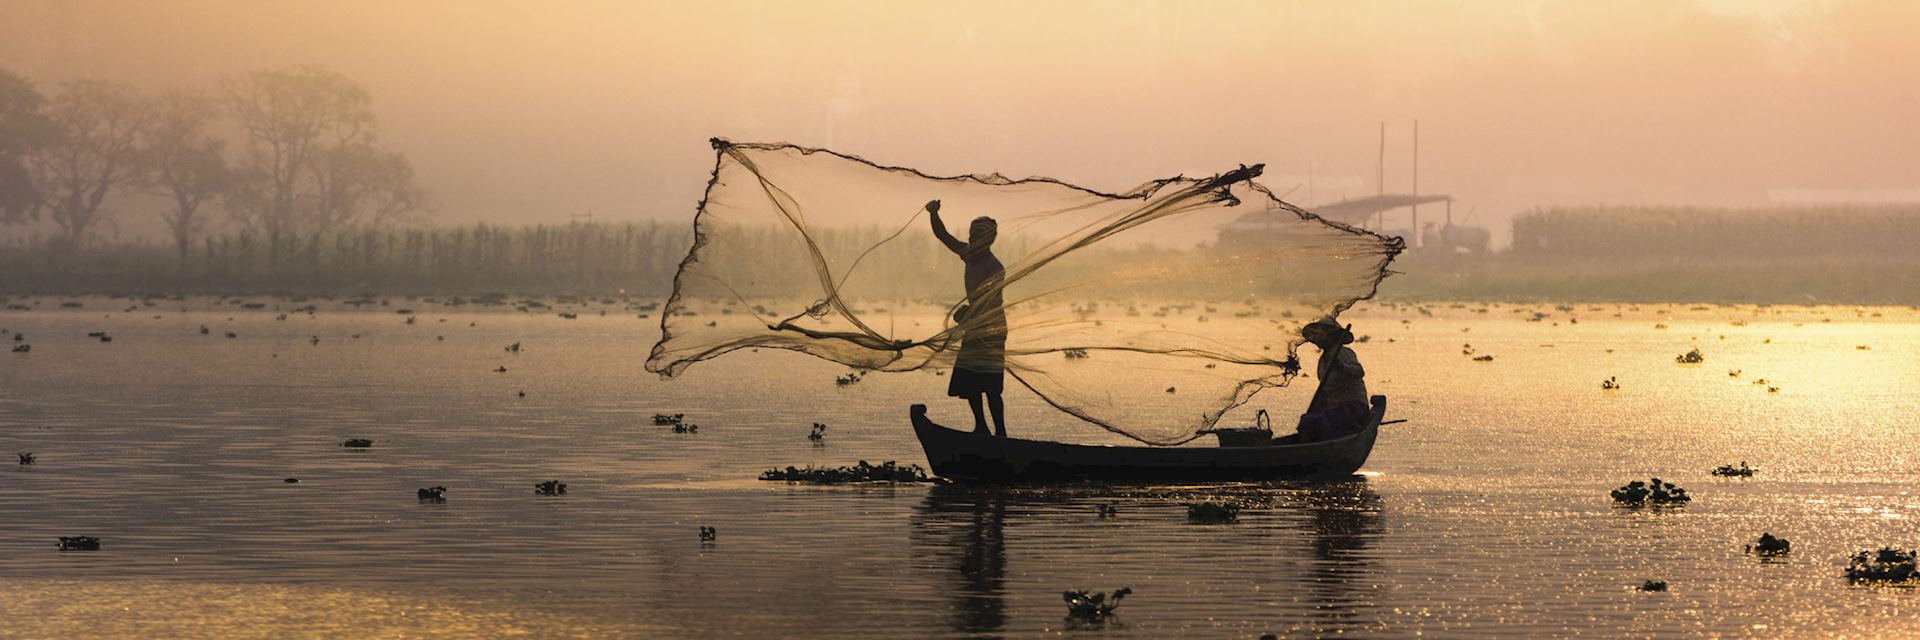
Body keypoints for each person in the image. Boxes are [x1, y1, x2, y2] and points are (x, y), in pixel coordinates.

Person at [927, 199, 1008, 437]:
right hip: (974, 326)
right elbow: (943, 235)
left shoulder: (994, 267)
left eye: (979, 238)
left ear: (989, 240)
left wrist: (966, 312)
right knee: (971, 381)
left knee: (991, 386)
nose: (974, 242)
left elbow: (990, 303)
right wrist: (933, 213)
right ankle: (981, 428)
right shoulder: (969, 255)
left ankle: (1001, 433)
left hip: (992, 328)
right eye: (972, 237)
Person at [1296, 318, 1370, 442]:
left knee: (1323, 421)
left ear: (1332, 336)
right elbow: (1326, 390)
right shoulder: (1324, 359)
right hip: (1334, 406)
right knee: (1307, 422)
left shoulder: (1343, 352)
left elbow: (1359, 372)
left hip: (1353, 407)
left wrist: (1341, 367)